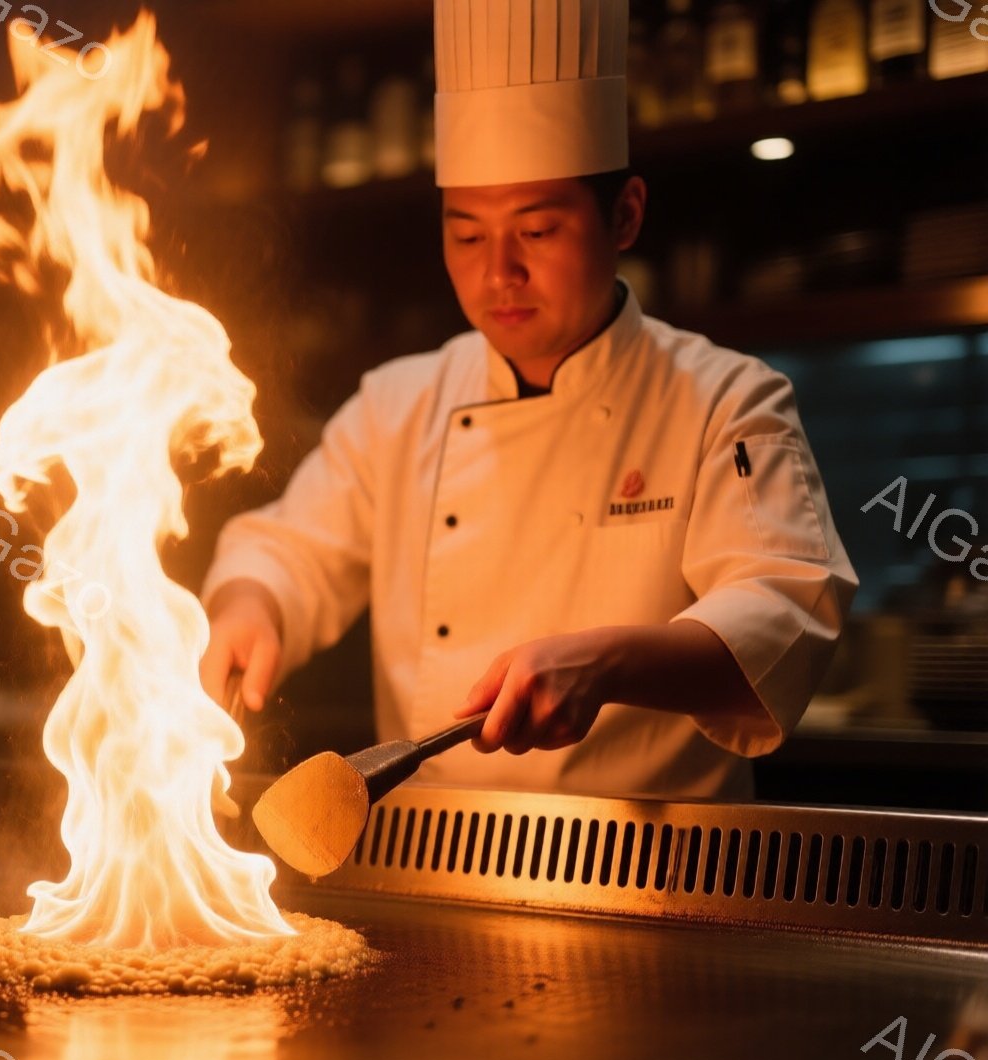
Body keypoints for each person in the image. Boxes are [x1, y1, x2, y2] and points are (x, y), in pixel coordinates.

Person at [197, 0, 859, 799]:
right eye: (467, 234)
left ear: (625, 215)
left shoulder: (725, 399)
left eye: (537, 231)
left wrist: (606, 662)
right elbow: (287, 550)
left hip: (663, 879)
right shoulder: (397, 405)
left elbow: (785, 612)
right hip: (436, 861)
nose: (498, 272)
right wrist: (249, 605)